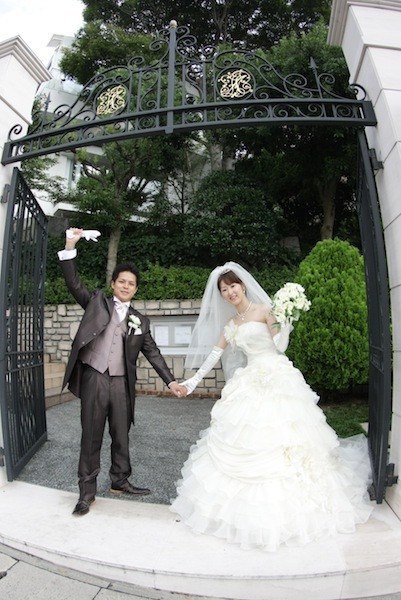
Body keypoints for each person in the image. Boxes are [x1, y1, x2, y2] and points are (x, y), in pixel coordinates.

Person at [171, 262, 373, 552]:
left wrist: (285, 321)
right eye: (224, 289)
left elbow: (280, 347)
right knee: (247, 438)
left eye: (233, 286)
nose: (230, 292)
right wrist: (191, 382)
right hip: (249, 381)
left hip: (278, 378)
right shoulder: (230, 325)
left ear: (243, 285)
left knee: (287, 437)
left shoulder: (266, 309)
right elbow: (214, 355)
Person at [58, 228, 183, 516]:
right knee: (91, 434)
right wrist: (69, 246)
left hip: (121, 382)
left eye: (132, 284)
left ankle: (119, 480)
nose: (126, 286)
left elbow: (152, 352)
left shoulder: (141, 320)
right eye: (122, 281)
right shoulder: (96, 301)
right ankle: (86, 493)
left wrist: (171, 381)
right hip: (95, 376)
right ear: (113, 283)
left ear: (136, 289)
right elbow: (73, 281)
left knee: (121, 434)